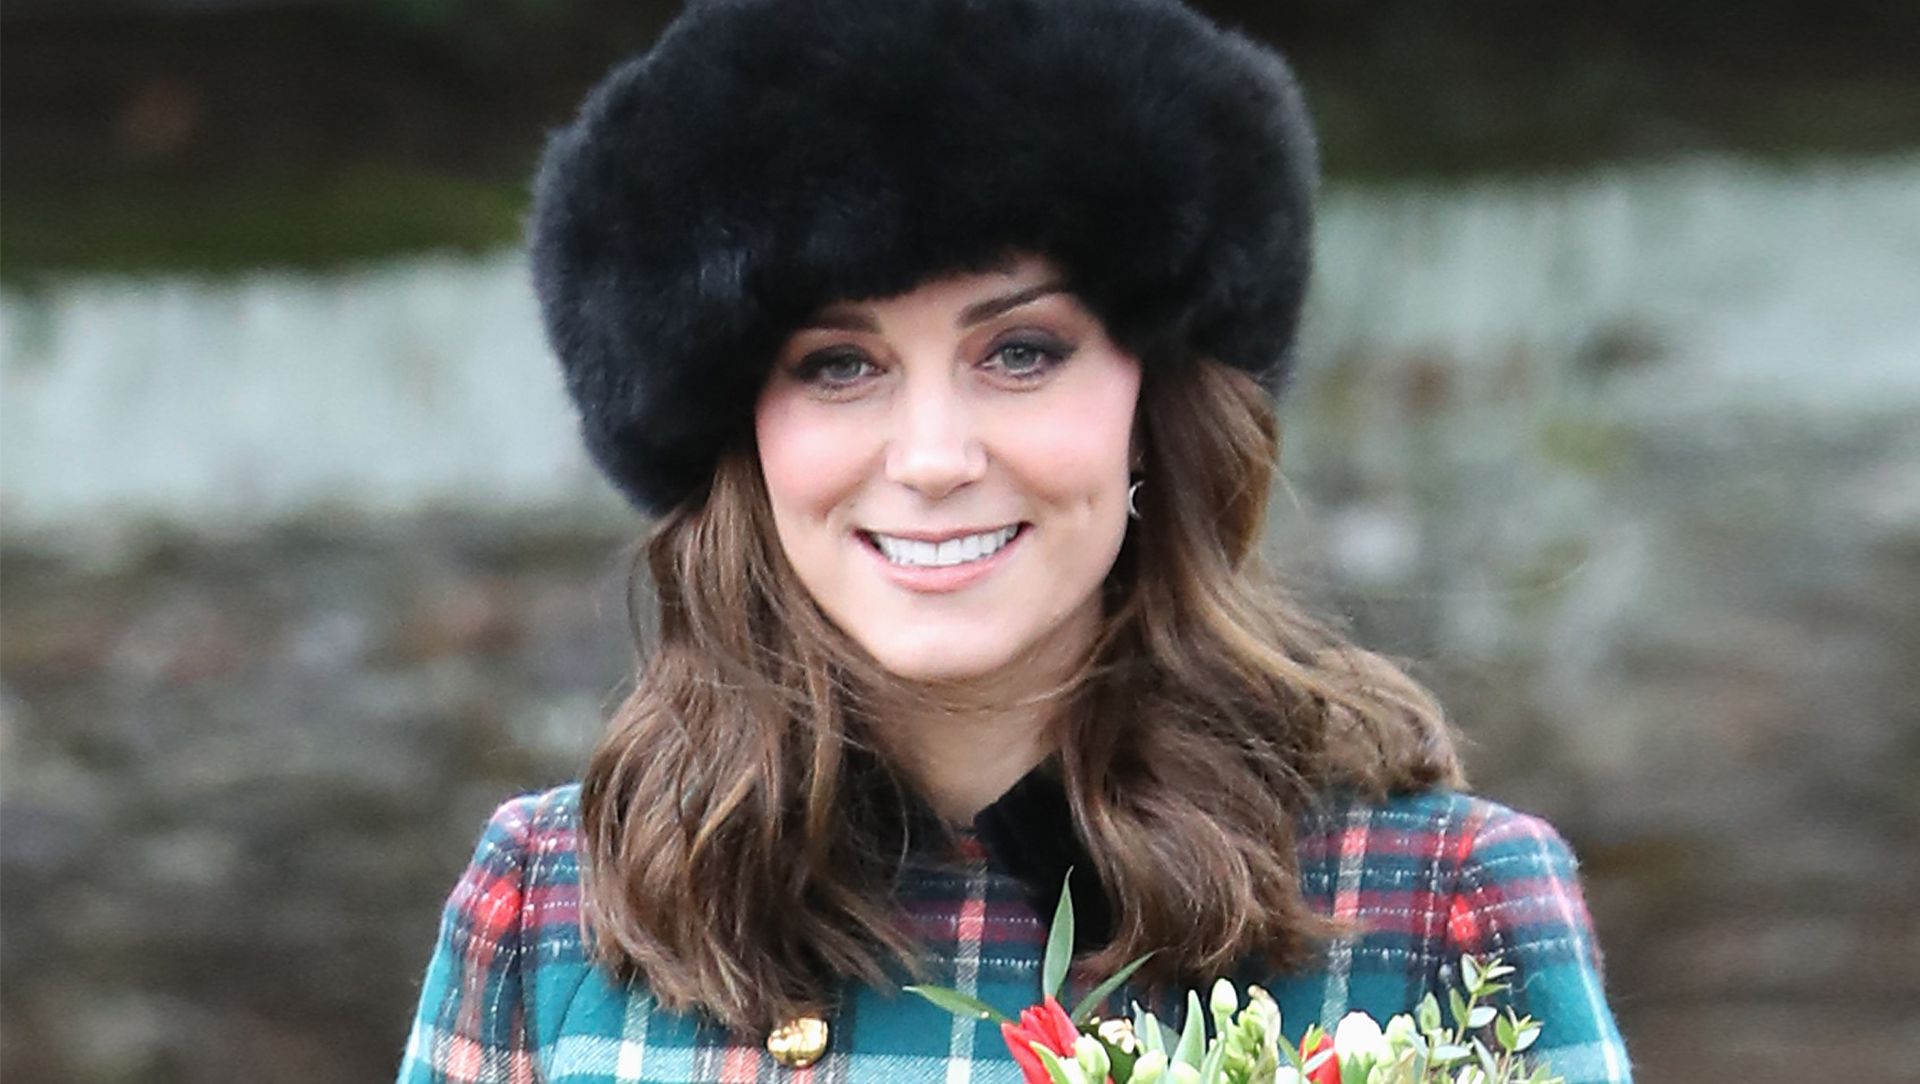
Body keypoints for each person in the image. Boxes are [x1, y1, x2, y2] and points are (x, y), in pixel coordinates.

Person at [397, 1, 1633, 1081]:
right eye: (840, 365)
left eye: (1022, 352)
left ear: (1156, 403)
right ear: (737, 430)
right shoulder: (549, 906)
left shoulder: (1439, 902)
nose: (933, 457)